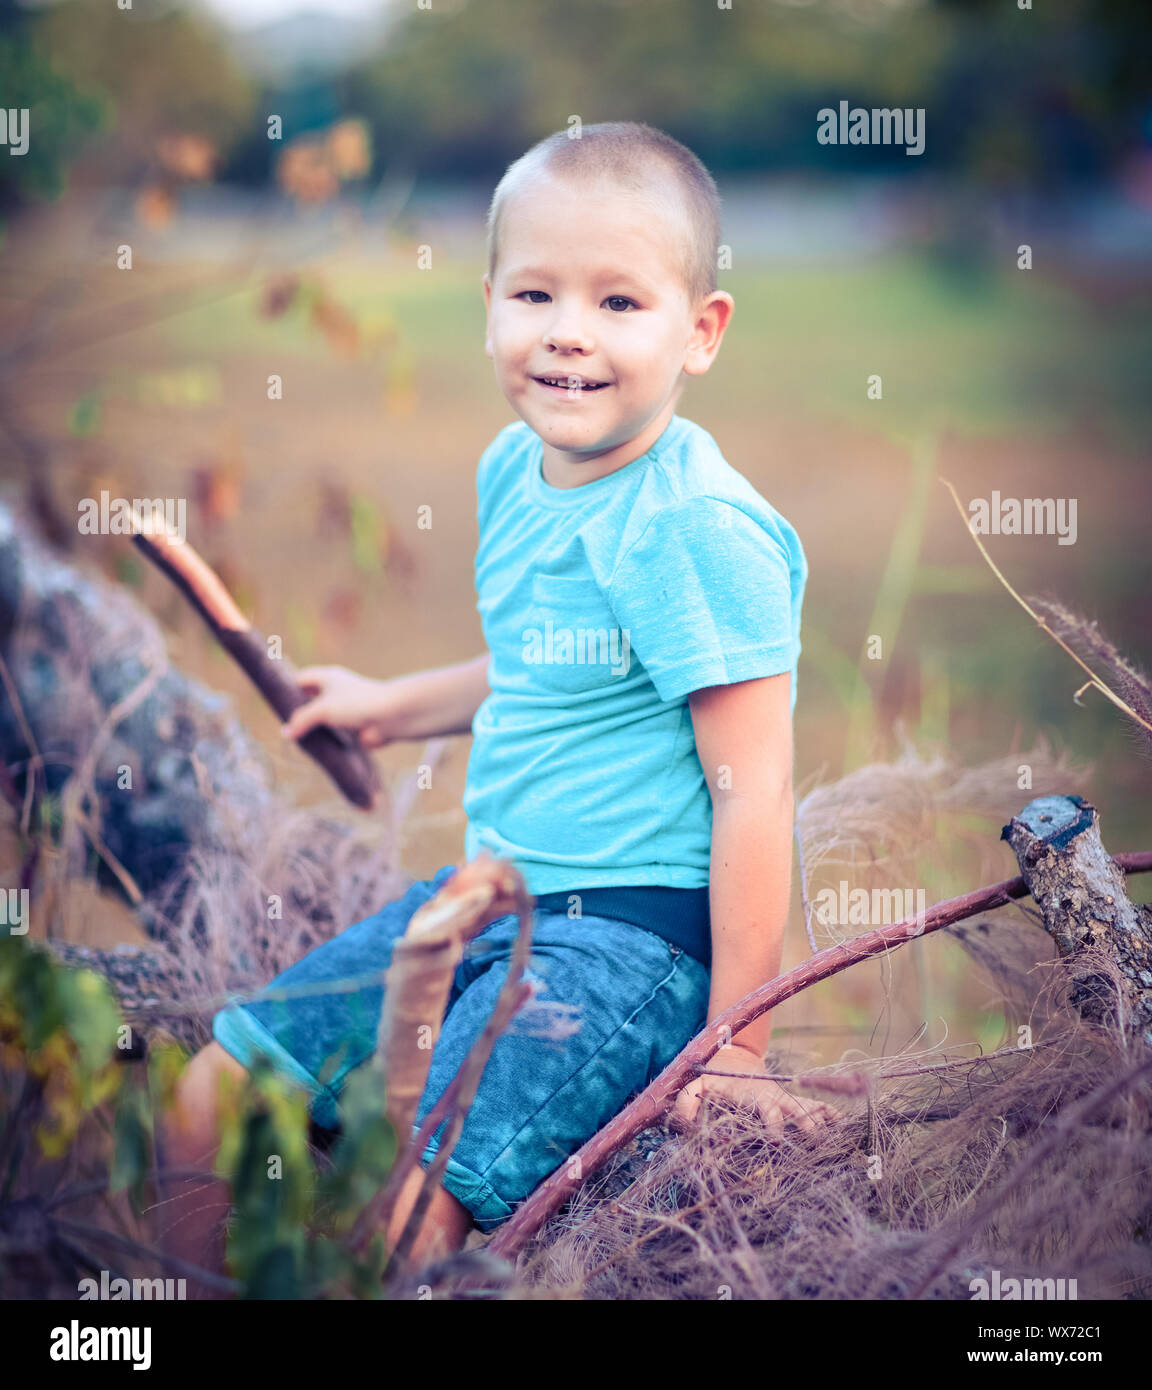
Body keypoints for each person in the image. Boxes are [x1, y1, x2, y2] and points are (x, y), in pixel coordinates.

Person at [164, 121, 833, 1279]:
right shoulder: (509, 470)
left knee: (414, 1200)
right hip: (488, 896)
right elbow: (545, 668)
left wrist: (736, 1046)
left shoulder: (691, 530)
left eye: (621, 303)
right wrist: (390, 704)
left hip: (630, 938)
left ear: (701, 332)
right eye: (535, 293)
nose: (568, 331)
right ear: (488, 305)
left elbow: (756, 790)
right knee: (214, 1090)